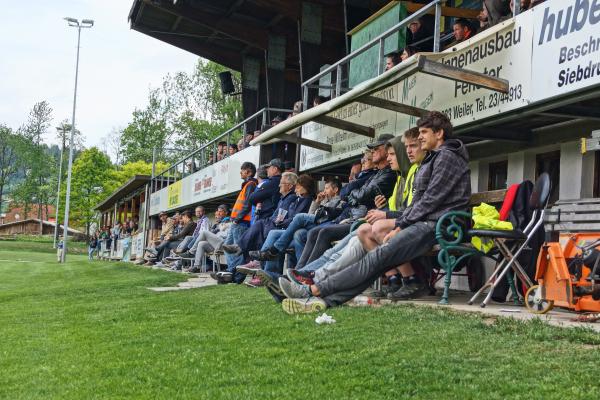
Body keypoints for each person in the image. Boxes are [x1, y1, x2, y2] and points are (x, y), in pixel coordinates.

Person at [277, 111, 471, 314]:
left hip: (442, 225)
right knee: (376, 257)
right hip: (426, 222)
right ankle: (322, 299)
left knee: (378, 257)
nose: (420, 137)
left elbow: (430, 202)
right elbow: (420, 202)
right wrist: (401, 222)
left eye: (424, 132)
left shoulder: (447, 157)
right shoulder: (434, 158)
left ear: (439, 133)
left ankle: (313, 289)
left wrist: (401, 225)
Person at [292, 134, 397, 271]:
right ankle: (299, 272)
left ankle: (306, 274)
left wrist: (354, 194)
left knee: (322, 234)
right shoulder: (378, 174)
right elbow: (350, 193)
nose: (372, 153)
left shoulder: (387, 173)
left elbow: (360, 194)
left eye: (376, 149)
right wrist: (355, 194)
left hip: (362, 220)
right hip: (353, 218)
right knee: (308, 232)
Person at [216, 162, 258, 283]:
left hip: (242, 222)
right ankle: (230, 272)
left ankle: (236, 276)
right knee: (227, 247)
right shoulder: (247, 185)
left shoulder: (251, 184)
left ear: (249, 171)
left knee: (237, 250)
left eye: (242, 170)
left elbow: (248, 204)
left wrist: (237, 218)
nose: (240, 172)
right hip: (237, 222)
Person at [181, 204, 232, 273]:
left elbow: (227, 237)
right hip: (216, 244)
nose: (218, 213)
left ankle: (191, 252)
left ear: (226, 213)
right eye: (218, 211)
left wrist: (215, 234)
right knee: (201, 243)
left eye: (220, 211)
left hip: (223, 244)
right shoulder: (221, 222)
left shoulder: (230, 221)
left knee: (204, 232)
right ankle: (197, 267)